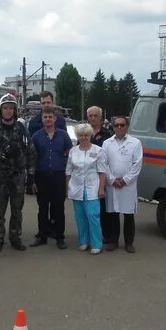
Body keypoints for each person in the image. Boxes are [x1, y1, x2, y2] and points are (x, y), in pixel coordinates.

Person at [0, 93, 36, 252]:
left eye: (11, 108)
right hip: (0, 176)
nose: (8, 111)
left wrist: (30, 175)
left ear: (15, 110)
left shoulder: (21, 128)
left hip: (17, 176)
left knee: (17, 209)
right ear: (0, 110)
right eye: (5, 108)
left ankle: (15, 237)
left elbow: (30, 150)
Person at [30, 108, 72, 249]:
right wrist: (33, 180)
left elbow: (69, 154)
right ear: (42, 119)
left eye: (50, 117)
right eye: (45, 117)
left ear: (55, 119)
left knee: (58, 208)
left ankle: (59, 237)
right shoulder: (36, 137)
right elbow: (32, 159)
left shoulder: (63, 135)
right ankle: (42, 236)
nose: (48, 119)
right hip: (42, 176)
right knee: (42, 208)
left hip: (59, 176)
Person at [102, 116, 143, 253]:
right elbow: (103, 163)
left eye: (122, 125)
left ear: (127, 126)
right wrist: (112, 179)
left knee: (128, 214)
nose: (119, 127)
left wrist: (125, 180)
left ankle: (129, 243)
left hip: (128, 185)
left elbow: (137, 164)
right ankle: (113, 241)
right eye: (117, 125)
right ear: (113, 127)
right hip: (112, 183)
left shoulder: (135, 143)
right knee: (113, 214)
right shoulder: (107, 143)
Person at [65, 123, 107, 255]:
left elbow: (102, 172)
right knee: (80, 217)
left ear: (91, 136)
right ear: (78, 136)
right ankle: (83, 241)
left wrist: (101, 189)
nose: (84, 137)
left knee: (93, 216)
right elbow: (68, 172)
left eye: (86, 135)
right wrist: (68, 188)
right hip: (76, 188)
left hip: (92, 188)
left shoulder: (98, 151)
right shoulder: (73, 151)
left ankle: (97, 243)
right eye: (81, 135)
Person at [87, 105, 113, 239]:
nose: (93, 118)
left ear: (101, 117)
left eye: (95, 115)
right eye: (90, 116)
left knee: (103, 207)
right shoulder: (85, 133)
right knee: (90, 209)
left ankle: (106, 235)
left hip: (102, 175)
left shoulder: (108, 134)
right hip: (87, 176)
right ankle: (92, 235)